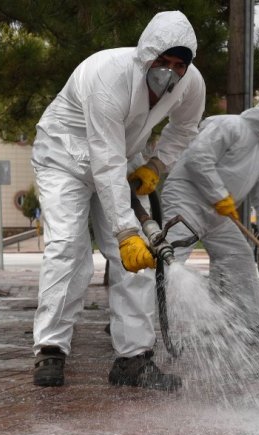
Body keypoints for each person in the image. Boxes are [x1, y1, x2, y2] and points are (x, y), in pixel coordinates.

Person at [31, 11, 206, 391]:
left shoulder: (190, 84)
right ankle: (51, 349)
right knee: (69, 249)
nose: (170, 72)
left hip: (120, 156)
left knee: (137, 257)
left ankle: (133, 360)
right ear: (147, 55)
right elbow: (104, 159)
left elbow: (185, 128)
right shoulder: (107, 76)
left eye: (179, 64)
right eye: (163, 62)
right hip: (65, 157)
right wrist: (126, 229)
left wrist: (157, 165)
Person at [160, 92, 259, 344]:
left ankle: (253, 323)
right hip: (187, 202)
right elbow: (197, 158)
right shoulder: (231, 126)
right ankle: (137, 318)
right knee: (169, 258)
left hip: (218, 212)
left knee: (240, 257)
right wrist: (219, 194)